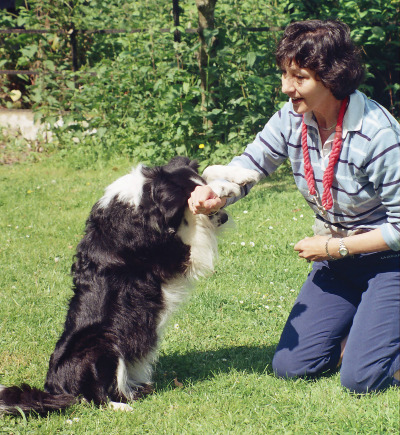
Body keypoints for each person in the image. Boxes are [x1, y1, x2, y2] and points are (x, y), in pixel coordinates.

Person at [188, 19, 400, 394]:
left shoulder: (378, 134)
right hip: (339, 262)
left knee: (362, 379)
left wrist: (332, 248)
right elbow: (250, 165)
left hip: (389, 262)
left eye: (298, 77)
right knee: (292, 366)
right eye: (285, 74)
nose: (286, 87)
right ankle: (364, 331)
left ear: (331, 77)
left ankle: (373, 336)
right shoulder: (292, 117)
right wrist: (218, 192)